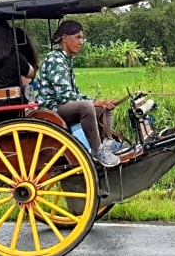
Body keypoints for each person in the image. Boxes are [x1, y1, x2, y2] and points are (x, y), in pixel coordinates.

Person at [37, 20, 128, 167]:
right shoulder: (55, 59)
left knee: (105, 107)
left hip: (63, 105)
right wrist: (93, 102)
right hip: (51, 109)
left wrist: (100, 102)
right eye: (78, 37)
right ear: (65, 38)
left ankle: (107, 142)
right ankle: (97, 150)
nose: (81, 42)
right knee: (87, 107)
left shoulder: (66, 59)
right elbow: (64, 95)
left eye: (82, 38)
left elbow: (74, 93)